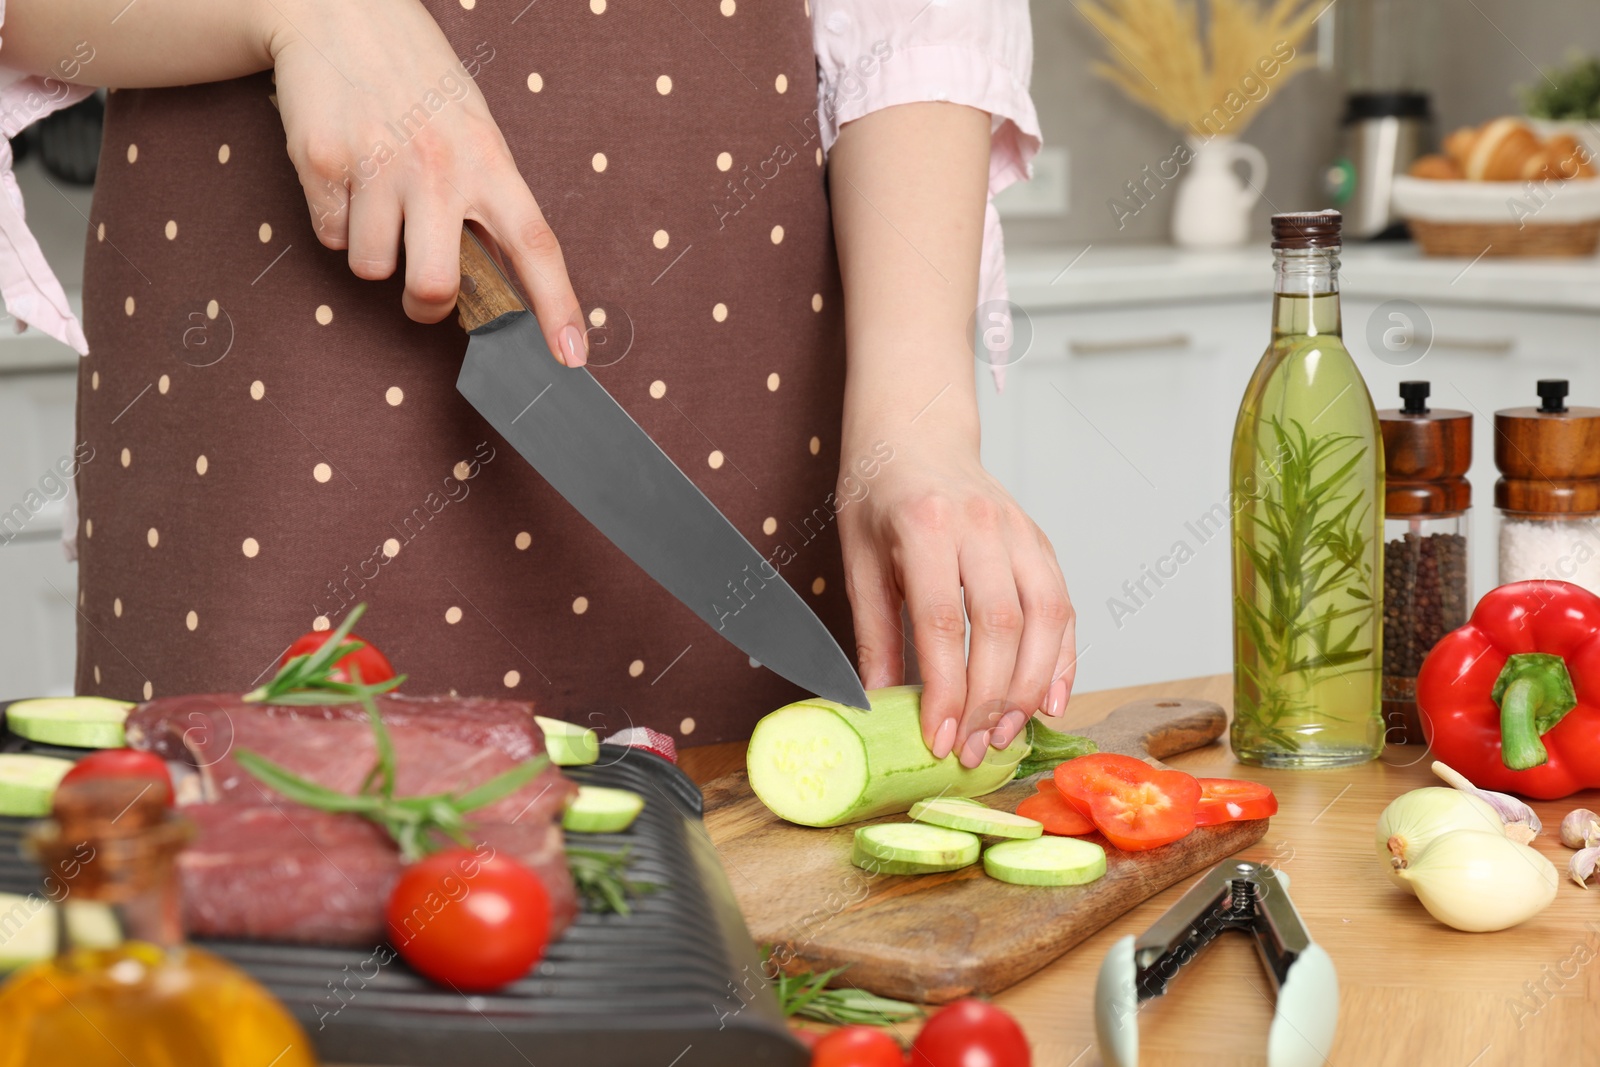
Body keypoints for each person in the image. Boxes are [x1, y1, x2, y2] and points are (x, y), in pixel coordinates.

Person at [1, 0, 1074, 768]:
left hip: (734, 368)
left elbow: (919, 25)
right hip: (266, 375)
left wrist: (917, 419)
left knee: (745, 938)